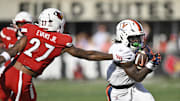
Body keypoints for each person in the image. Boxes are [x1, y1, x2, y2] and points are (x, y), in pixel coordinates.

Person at [0, 8, 134, 101]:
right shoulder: (61, 41)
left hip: (8, 70)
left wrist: (2, 58)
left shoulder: (31, 29)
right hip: (23, 78)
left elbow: (13, 50)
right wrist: (113, 56)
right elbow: (86, 54)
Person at [105, 19, 161, 101]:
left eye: (139, 37)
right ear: (123, 36)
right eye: (134, 38)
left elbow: (144, 51)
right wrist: (151, 64)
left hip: (134, 86)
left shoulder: (132, 46)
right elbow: (137, 77)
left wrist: (149, 55)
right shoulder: (120, 50)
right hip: (119, 91)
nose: (137, 41)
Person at [0, 11, 33, 100]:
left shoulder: (33, 39)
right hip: (5, 72)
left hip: (23, 74)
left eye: (25, 24)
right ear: (15, 24)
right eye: (20, 24)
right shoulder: (7, 33)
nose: (22, 27)